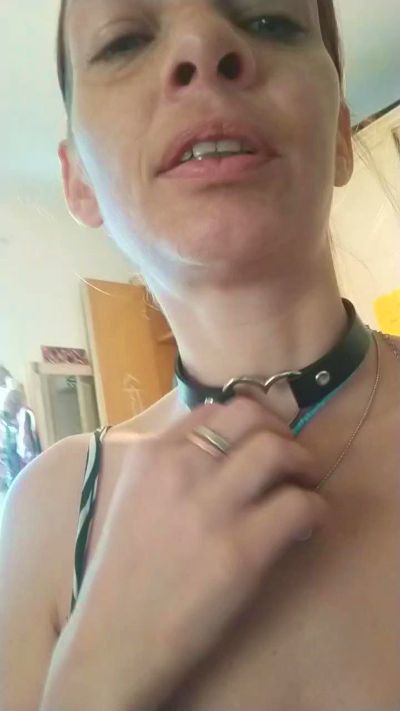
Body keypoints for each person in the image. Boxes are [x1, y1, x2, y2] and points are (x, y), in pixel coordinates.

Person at [1, 1, 399, 709]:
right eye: (125, 41)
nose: (201, 45)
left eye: (270, 19)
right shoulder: (47, 513)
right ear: (78, 181)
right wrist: (95, 675)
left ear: (341, 136)